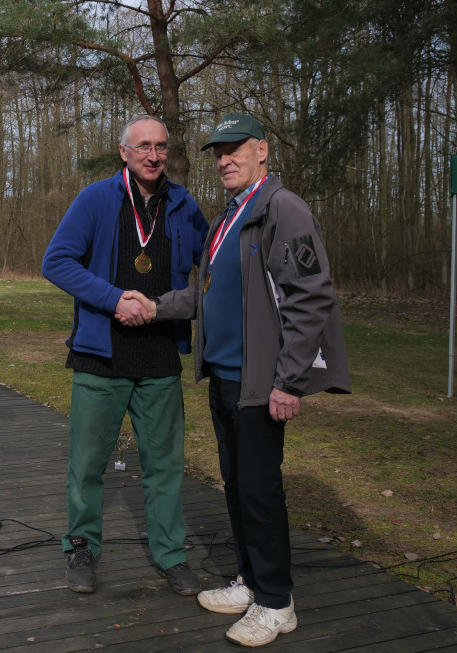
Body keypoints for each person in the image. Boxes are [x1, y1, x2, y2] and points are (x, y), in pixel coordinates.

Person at [124, 113, 350, 647]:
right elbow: (206, 295)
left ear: (262, 151)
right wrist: (154, 305)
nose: (224, 160)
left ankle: (276, 602)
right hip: (225, 376)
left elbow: (311, 298)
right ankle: (251, 581)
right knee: (238, 485)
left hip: (262, 380)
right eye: (217, 152)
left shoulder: (282, 208)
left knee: (261, 489)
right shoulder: (230, 213)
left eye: (236, 150)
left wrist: (290, 381)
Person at [41, 115, 210, 596]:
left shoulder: (182, 204)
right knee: (87, 464)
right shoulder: (96, 199)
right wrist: (114, 298)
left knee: (164, 466)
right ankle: (82, 547)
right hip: (101, 356)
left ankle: (171, 555)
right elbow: (56, 262)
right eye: (143, 147)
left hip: (159, 357)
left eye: (161, 146)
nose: (153, 155)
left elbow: (214, 267)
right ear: (124, 152)